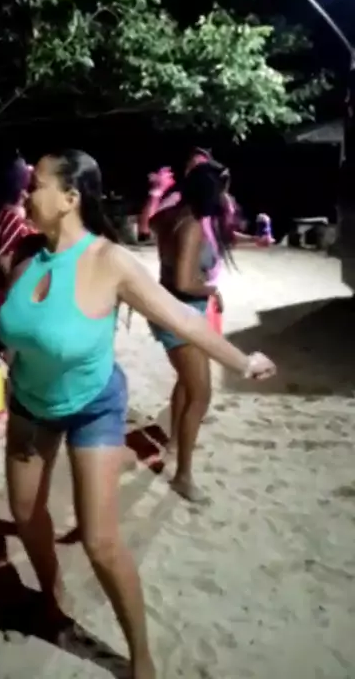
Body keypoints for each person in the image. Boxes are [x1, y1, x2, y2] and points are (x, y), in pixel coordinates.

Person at [0, 149, 275, 679]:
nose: (25, 192)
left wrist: (242, 361)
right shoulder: (25, 255)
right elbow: (10, 326)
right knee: (25, 514)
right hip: (28, 405)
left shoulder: (108, 261)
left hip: (93, 406)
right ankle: (51, 593)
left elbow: (183, 319)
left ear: (70, 198)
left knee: (100, 540)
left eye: (36, 184)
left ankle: (141, 658)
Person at [149, 161, 233, 502]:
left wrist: (158, 192)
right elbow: (184, 282)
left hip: (168, 308)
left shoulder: (168, 216)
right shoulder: (192, 226)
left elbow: (151, 224)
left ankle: (173, 444)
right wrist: (211, 290)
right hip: (181, 313)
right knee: (201, 394)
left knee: (186, 381)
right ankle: (183, 475)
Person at [0, 158, 35, 325]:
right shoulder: (13, 221)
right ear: (23, 193)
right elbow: (4, 260)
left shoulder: (8, 216)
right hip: (3, 295)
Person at [138, 147, 213, 239]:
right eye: (192, 164)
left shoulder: (218, 201)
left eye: (200, 166)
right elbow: (146, 231)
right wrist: (157, 191)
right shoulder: (176, 197)